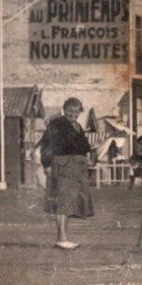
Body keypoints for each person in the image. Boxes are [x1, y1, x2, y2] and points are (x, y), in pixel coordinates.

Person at [40, 97, 95, 249]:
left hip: (76, 168)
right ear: (65, 109)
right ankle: (61, 238)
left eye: (76, 111)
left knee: (69, 203)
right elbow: (46, 145)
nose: (73, 114)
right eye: (70, 110)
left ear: (80, 112)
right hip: (62, 166)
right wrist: (46, 165)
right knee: (63, 202)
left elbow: (84, 147)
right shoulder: (57, 124)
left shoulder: (78, 126)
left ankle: (63, 237)